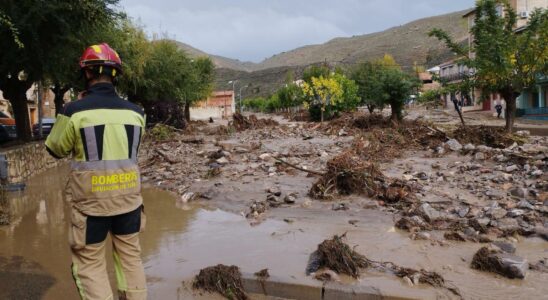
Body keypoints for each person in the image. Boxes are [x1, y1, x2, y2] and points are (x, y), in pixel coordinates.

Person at [45, 43, 147, 300]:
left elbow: (55, 149)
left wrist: (71, 112)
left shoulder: (74, 111)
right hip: (129, 202)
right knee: (131, 260)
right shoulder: (137, 114)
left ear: (88, 73)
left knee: (90, 264)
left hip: (91, 207)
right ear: (115, 75)